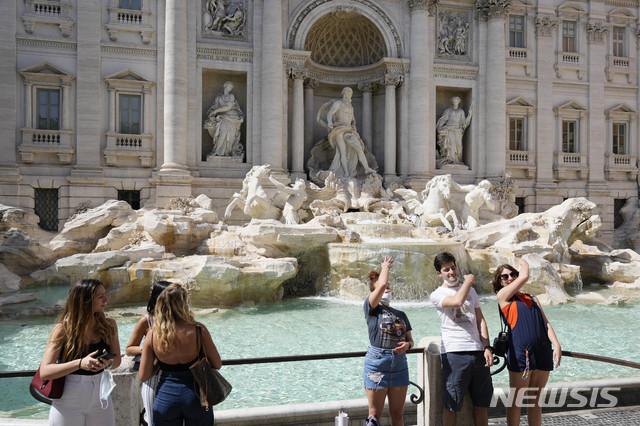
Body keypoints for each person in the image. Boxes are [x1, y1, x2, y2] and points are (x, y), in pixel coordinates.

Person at [39, 279, 121, 426]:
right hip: (68, 398)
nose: (106, 300)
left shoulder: (109, 325)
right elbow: (45, 371)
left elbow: (117, 362)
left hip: (101, 396)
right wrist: (80, 363)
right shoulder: (62, 330)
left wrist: (107, 363)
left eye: (105, 295)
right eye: (100, 297)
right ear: (85, 301)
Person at [139, 283, 222, 426]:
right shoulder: (198, 330)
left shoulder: (153, 334)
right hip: (195, 395)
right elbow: (217, 364)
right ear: (184, 304)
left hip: (166, 396)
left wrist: (158, 363)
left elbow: (144, 375)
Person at [492, 258, 562, 426]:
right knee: (517, 398)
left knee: (536, 398)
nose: (510, 278)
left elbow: (546, 323)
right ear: (500, 282)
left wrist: (557, 345)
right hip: (520, 352)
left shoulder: (532, 298)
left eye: (513, 274)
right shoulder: (503, 297)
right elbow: (524, 277)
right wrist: (525, 265)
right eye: (505, 277)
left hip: (543, 350)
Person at [430, 252, 493, 426]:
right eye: (446, 269)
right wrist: (467, 281)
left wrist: (487, 347)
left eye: (453, 267)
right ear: (439, 273)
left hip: (478, 351)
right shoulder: (437, 294)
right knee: (451, 404)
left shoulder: (471, 291)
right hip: (454, 353)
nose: (451, 272)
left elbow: (480, 319)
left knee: (481, 404)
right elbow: (457, 301)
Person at [363, 256, 414, 426]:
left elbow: (410, 341)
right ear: (374, 291)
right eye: (382, 287)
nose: (386, 289)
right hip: (377, 363)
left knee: (398, 415)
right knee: (374, 416)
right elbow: (382, 284)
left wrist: (407, 345)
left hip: (399, 365)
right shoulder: (372, 308)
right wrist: (385, 267)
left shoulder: (401, 314)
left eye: (388, 287)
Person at [125, 280, 170, 426]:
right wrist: (147, 349)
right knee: (153, 422)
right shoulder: (146, 321)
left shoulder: (180, 320)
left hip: (175, 378)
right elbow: (130, 348)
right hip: (153, 379)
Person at [317, 87, 376, 178]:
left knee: (359, 149)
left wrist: (355, 131)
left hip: (349, 130)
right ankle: (346, 172)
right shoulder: (338, 104)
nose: (349, 94)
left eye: (350, 93)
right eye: (347, 92)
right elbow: (330, 113)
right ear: (343, 93)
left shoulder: (350, 107)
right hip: (339, 129)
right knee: (342, 152)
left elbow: (353, 121)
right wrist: (329, 122)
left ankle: (366, 168)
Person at [204, 81, 244, 157]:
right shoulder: (219, 97)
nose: (230, 88)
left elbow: (228, 107)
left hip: (232, 118)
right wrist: (212, 113)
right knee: (222, 135)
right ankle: (217, 151)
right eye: (229, 87)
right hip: (222, 119)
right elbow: (213, 107)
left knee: (231, 137)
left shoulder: (231, 96)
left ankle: (227, 153)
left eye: (231, 87)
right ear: (225, 86)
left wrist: (216, 111)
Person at [436, 96, 472, 166]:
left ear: (458, 102)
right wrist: (440, 127)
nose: (455, 102)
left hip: (457, 131)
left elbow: (464, 123)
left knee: (459, 147)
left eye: (456, 101)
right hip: (449, 130)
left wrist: (470, 115)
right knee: (449, 146)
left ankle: (457, 161)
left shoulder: (461, 111)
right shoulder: (449, 110)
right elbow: (443, 120)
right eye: (454, 101)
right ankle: (449, 160)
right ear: (452, 102)